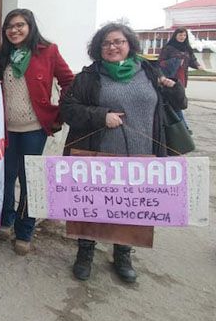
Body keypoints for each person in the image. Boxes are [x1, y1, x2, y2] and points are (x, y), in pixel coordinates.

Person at [60, 22, 185, 283]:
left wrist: (173, 86)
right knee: (92, 205)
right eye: (106, 43)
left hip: (141, 155)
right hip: (98, 155)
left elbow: (179, 103)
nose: (112, 47)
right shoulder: (89, 77)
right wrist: (101, 116)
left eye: (119, 41)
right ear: (98, 48)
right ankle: (85, 253)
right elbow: (68, 109)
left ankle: (123, 254)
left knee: (130, 207)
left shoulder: (149, 71)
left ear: (130, 44)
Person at [0, 9, 74, 255]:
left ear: (30, 26)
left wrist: (58, 114)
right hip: (5, 130)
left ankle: (25, 230)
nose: (14, 30)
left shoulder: (48, 52)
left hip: (34, 129)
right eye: (9, 26)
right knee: (5, 176)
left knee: (29, 178)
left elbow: (69, 81)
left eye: (20, 25)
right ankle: (5, 220)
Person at [159, 27, 202, 131]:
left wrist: (198, 66)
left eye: (184, 35)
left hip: (182, 79)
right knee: (176, 104)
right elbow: (160, 62)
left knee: (176, 103)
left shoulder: (187, 48)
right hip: (171, 79)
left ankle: (181, 127)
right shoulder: (168, 48)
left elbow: (192, 60)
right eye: (180, 35)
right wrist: (175, 61)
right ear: (175, 35)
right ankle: (183, 128)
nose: (182, 37)